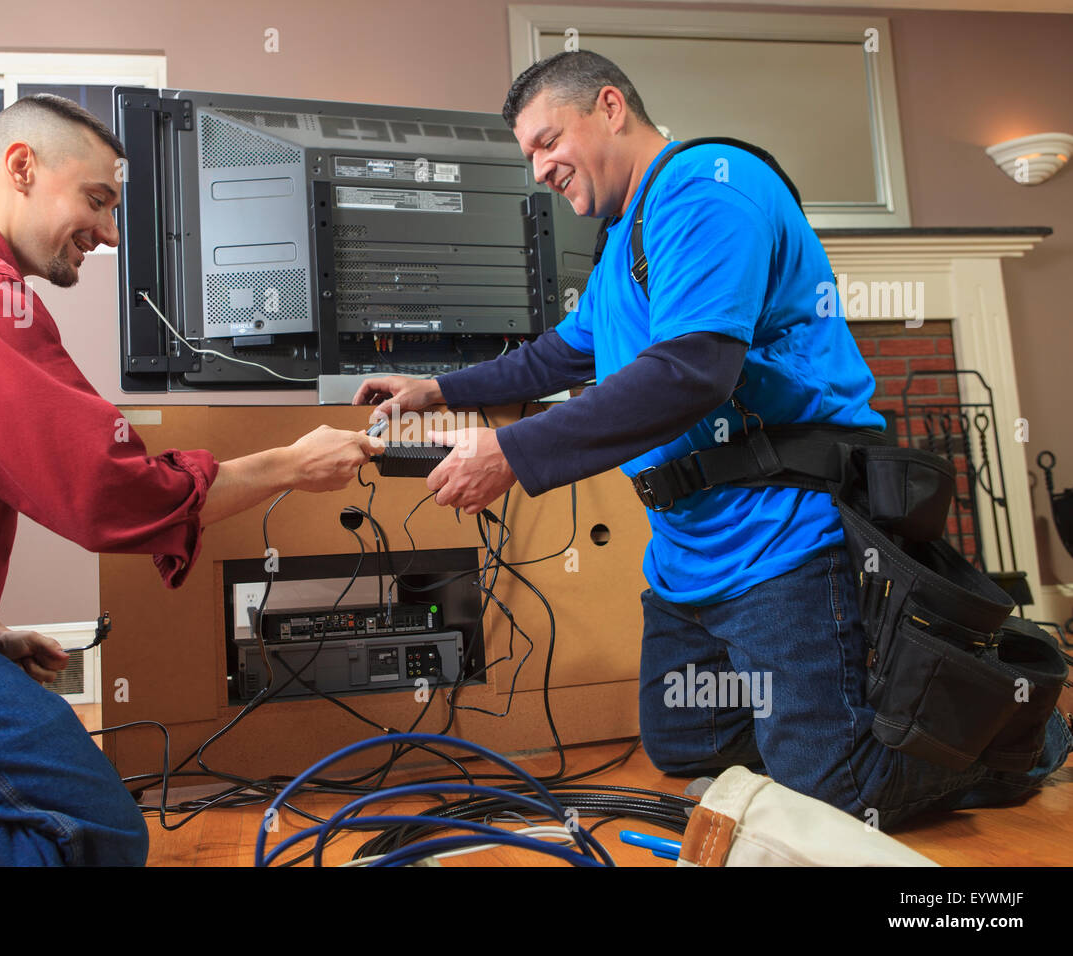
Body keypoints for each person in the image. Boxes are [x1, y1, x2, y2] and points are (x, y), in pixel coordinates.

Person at [354, 51, 1070, 828]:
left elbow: (693, 371)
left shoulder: (707, 187)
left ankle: (1029, 736)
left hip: (782, 537)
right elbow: (560, 353)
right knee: (689, 746)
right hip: (689, 555)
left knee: (840, 793)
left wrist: (512, 453)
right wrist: (437, 389)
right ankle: (829, 723)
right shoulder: (626, 238)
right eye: (528, 154)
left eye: (546, 141)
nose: (538, 169)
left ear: (609, 107)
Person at [0, 94, 381, 865]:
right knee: (91, 834)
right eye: (97, 200)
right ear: (21, 167)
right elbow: (105, 490)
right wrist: (290, 465)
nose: (112, 232)